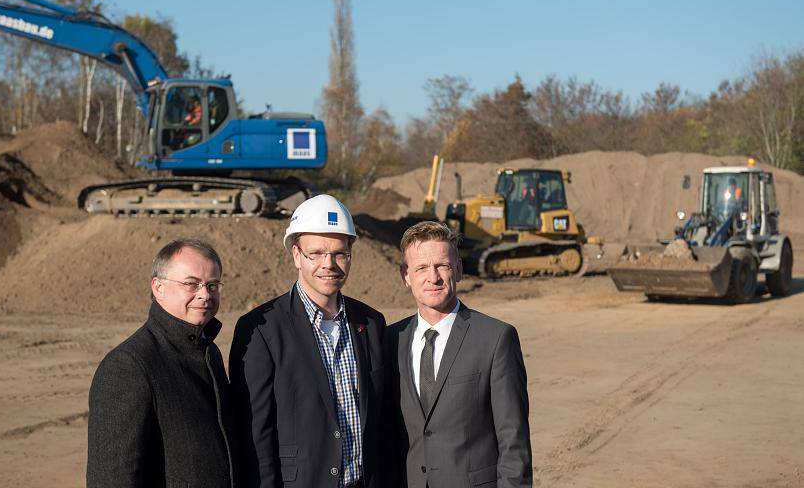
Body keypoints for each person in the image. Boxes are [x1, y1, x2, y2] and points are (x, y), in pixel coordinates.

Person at [230, 194, 388, 488]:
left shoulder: (371, 323)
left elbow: (381, 420)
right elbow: (255, 435)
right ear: (296, 256)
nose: (329, 264)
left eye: (340, 253)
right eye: (316, 253)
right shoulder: (261, 329)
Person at [387, 221, 532, 488]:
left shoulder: (496, 338)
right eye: (421, 268)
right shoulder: (389, 340)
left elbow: (514, 441)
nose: (433, 277)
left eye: (442, 265)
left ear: (459, 269)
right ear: (405, 276)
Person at [87, 238, 237, 488]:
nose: (204, 295)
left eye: (212, 285)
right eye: (191, 284)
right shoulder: (128, 366)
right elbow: (112, 479)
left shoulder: (208, 352)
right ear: (158, 287)